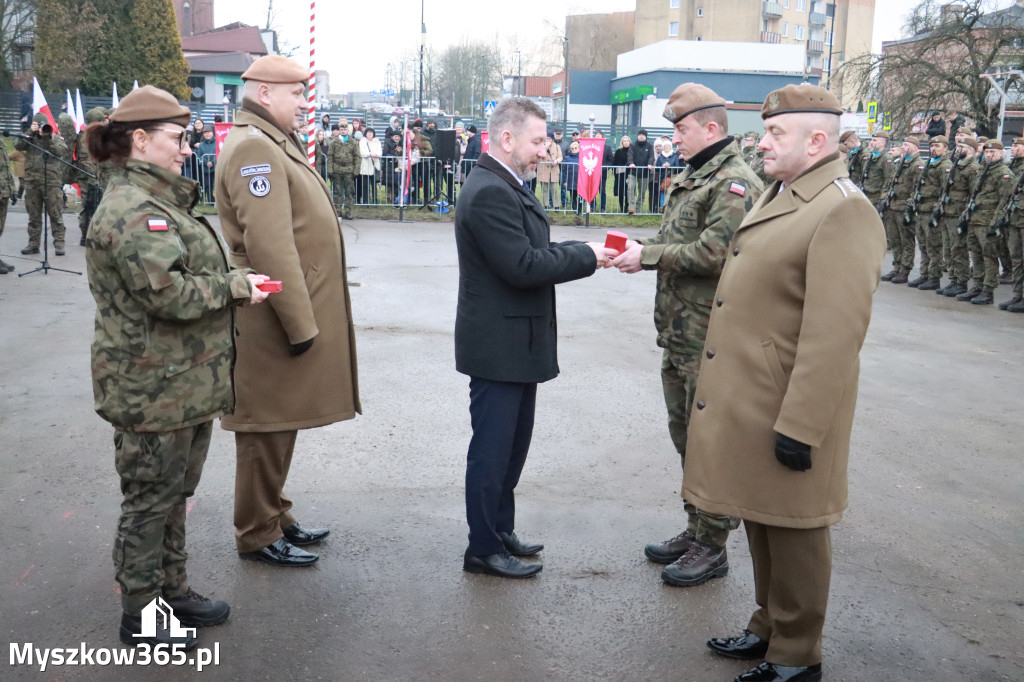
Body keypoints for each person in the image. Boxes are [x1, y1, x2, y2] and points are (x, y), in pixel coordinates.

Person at [687, 83, 886, 682]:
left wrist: (801, 426)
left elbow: (834, 336)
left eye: (775, 133)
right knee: (762, 518)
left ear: (816, 139)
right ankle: (768, 626)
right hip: (755, 399)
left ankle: (798, 653)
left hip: (789, 405)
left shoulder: (842, 208)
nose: (761, 141)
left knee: (796, 531)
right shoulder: (785, 193)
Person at [84, 84, 272, 649]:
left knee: (173, 495)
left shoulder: (158, 202)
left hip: (179, 383)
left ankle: (173, 591)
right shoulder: (135, 211)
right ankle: (141, 614)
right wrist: (236, 285)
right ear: (140, 141)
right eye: (177, 138)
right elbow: (166, 295)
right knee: (149, 501)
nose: (186, 148)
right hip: (151, 388)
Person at [454, 97, 615, 579]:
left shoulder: (505, 184)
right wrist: (586, 255)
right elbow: (523, 266)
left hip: (515, 344)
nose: (546, 150)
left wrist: (587, 249)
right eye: (538, 140)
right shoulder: (489, 191)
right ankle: (481, 548)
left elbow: (535, 250)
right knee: (492, 451)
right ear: (507, 138)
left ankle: (500, 530)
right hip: (499, 346)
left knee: (511, 448)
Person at [610, 82, 763, 589]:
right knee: (686, 438)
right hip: (680, 334)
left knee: (711, 442)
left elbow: (718, 252)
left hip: (711, 340)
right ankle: (696, 525)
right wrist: (638, 248)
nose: (673, 137)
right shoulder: (698, 175)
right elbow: (677, 239)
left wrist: (649, 257)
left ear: (711, 128)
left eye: (681, 128)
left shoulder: (735, 182)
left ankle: (713, 545)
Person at [216, 54, 361, 568]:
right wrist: (300, 323)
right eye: (297, 93)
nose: (305, 103)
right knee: (265, 425)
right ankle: (256, 531)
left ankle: (274, 512)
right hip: (270, 315)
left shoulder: (269, 141)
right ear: (264, 92)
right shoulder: (255, 146)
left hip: (276, 309)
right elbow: (270, 245)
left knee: (283, 421)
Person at [958, 140, 1014, 305]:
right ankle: (977, 285)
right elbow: (974, 195)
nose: (989, 155)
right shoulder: (983, 170)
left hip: (988, 221)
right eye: (987, 152)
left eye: (993, 152)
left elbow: (1004, 201)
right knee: (976, 256)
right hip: (975, 220)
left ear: (1001, 153)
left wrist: (995, 223)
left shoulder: (1004, 173)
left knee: (989, 257)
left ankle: (988, 290)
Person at [15, 113, 68, 256]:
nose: (42, 129)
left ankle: (59, 242)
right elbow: (17, 145)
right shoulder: (29, 138)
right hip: (32, 181)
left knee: (55, 214)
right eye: (39, 125)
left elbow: (61, 151)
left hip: (51, 182)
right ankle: (33, 243)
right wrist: (30, 131)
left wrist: (49, 138)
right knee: (34, 215)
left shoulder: (55, 138)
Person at [936, 137, 981, 298]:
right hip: (948, 212)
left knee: (958, 249)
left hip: (959, 214)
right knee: (949, 249)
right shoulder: (956, 165)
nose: (957, 149)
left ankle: (961, 281)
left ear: (970, 149)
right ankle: (953, 279)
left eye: (961, 146)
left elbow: (974, 194)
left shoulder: (973, 168)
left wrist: (966, 215)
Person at [908, 135, 954, 291]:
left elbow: (945, 190)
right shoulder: (929, 163)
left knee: (934, 246)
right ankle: (925, 273)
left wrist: (937, 210)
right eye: (932, 146)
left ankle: (934, 277)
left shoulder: (945, 165)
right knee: (923, 245)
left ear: (945, 148)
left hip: (932, 211)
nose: (933, 149)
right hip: (921, 209)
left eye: (937, 146)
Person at [880, 137, 922, 284]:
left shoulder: (917, 165)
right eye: (903, 145)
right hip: (893, 206)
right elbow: (891, 183)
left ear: (915, 148)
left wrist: (910, 207)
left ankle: (905, 270)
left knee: (906, 241)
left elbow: (917, 188)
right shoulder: (901, 162)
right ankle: (896, 267)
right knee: (894, 239)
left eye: (906, 145)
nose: (903, 147)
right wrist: (885, 198)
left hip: (904, 208)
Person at [999, 137, 1024, 311]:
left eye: (1017, 145)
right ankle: (1018, 295)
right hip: (1015, 217)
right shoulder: (1014, 166)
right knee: (1016, 257)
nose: (1013, 148)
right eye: (1013, 145)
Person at [328, 118, 360, 220]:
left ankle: (348, 211)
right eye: (341, 129)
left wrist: (356, 171)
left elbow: (357, 157)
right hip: (337, 170)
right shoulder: (334, 142)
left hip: (349, 170)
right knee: (337, 192)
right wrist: (330, 170)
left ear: (348, 131)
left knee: (349, 192)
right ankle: (338, 211)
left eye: (345, 130)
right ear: (339, 130)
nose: (343, 131)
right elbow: (330, 156)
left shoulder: (353, 142)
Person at [627, 129, 655, 214]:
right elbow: (630, 155)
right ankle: (631, 207)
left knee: (642, 192)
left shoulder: (649, 146)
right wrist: (631, 163)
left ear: (646, 136)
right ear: (637, 136)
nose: (641, 136)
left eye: (643, 135)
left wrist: (650, 164)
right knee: (630, 188)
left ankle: (638, 209)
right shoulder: (632, 145)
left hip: (645, 173)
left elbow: (651, 156)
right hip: (633, 172)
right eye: (640, 134)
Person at [0, 129, 16, 273]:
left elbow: (6, 168)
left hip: (3, 192)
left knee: (0, 227)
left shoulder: (1, 143)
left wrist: (12, 190)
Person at [537, 131, 562, 208]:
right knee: (544, 189)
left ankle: (556, 205)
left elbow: (560, 157)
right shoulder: (541, 146)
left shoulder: (557, 147)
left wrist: (557, 161)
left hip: (553, 170)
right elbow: (539, 154)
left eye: (549, 138)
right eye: (547, 138)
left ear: (552, 139)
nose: (548, 139)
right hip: (544, 170)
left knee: (554, 189)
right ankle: (546, 205)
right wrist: (546, 146)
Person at [358, 127, 381, 204]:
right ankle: (365, 201)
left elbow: (380, 152)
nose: (370, 134)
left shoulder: (377, 141)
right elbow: (362, 152)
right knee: (365, 185)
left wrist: (375, 154)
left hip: (374, 166)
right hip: (365, 166)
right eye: (368, 132)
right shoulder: (362, 141)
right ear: (366, 134)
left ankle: (375, 200)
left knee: (374, 185)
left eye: (371, 132)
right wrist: (370, 154)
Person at [195, 127, 217, 203]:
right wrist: (206, 162)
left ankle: (215, 200)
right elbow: (200, 155)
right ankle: (208, 199)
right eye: (205, 133)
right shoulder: (201, 145)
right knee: (207, 185)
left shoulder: (217, 143)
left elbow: (219, 153)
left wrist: (213, 162)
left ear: (212, 133)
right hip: (205, 169)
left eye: (208, 132)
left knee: (217, 185)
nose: (207, 134)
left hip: (216, 168)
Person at [561, 140, 581, 214]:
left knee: (581, 197)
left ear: (579, 148)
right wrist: (564, 181)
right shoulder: (567, 158)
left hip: (580, 180)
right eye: (572, 148)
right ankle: (575, 209)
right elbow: (564, 171)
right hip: (571, 180)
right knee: (573, 196)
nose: (574, 150)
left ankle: (580, 210)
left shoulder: (582, 157)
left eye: (575, 148)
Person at [613, 135, 631, 213]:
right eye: (624, 141)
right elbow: (614, 162)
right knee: (621, 191)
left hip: (629, 174)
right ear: (622, 142)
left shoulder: (632, 151)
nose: (626, 142)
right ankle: (621, 207)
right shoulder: (618, 151)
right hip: (620, 174)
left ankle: (627, 206)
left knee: (628, 191)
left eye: (627, 141)